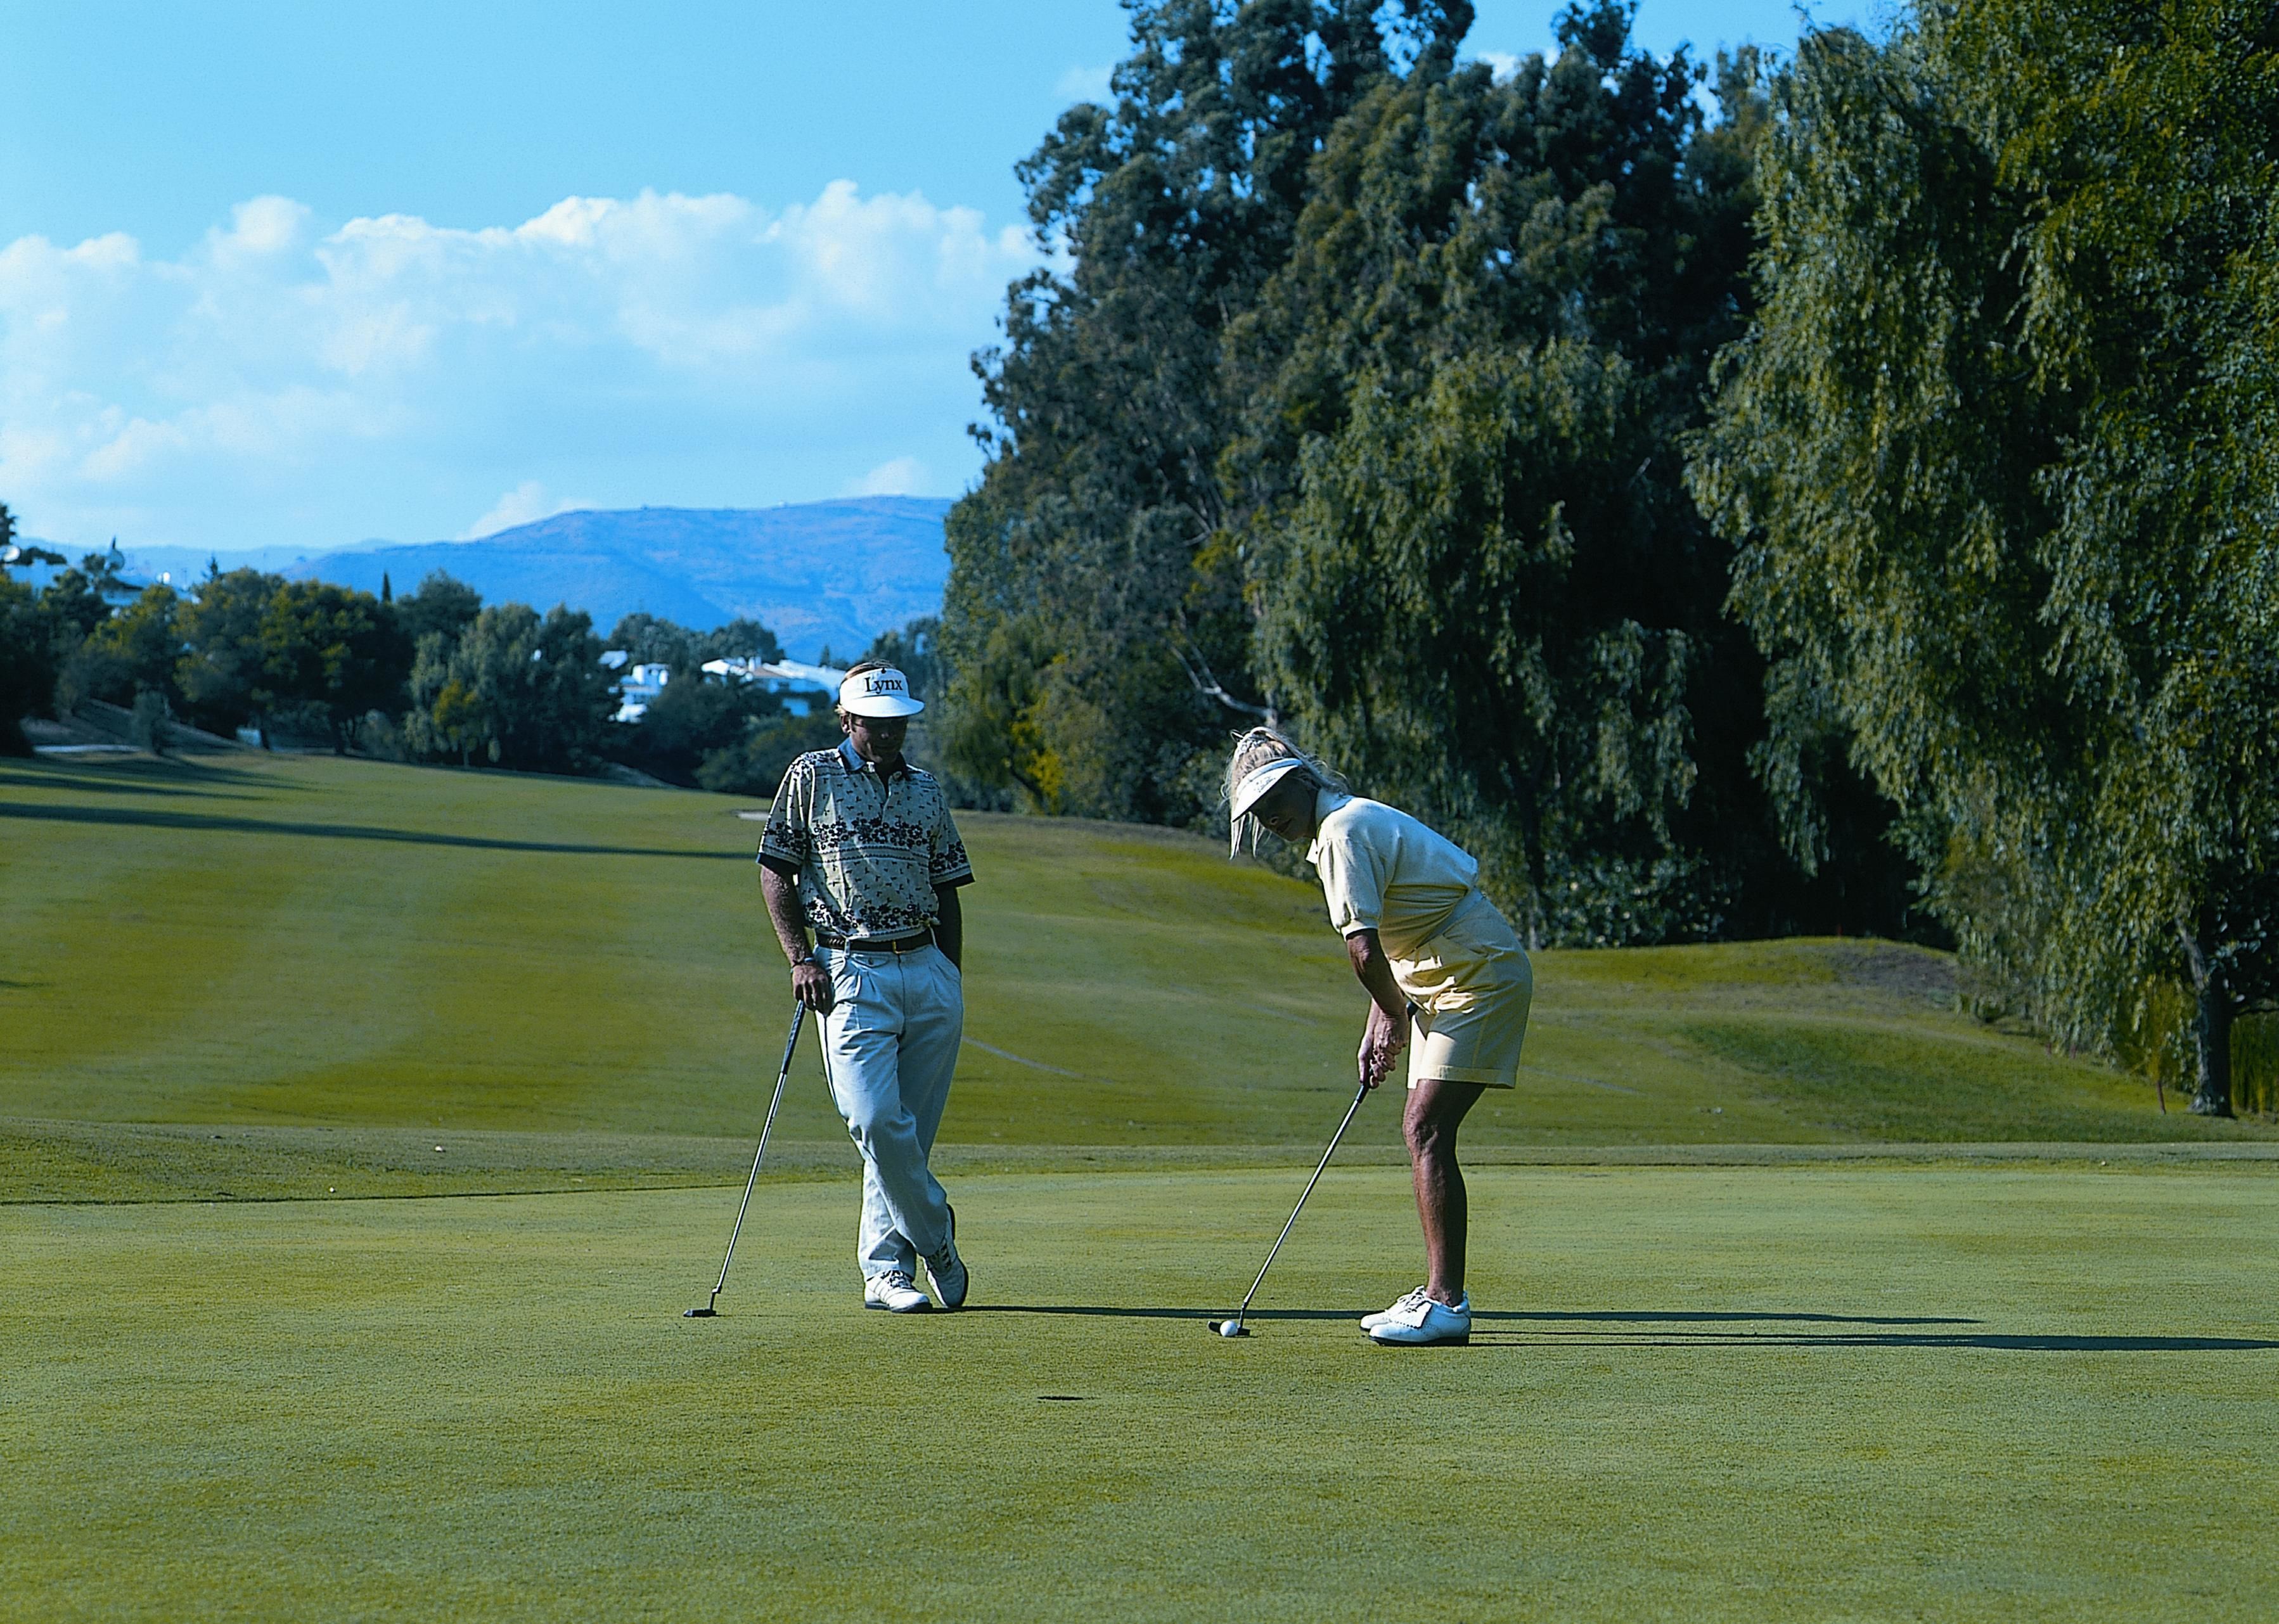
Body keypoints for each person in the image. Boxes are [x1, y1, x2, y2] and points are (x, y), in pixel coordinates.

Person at [1225, 726, 1533, 1347]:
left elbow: (1364, 953)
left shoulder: (1340, 831)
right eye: (1257, 809)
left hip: (1475, 974)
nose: (1270, 816)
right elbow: (1393, 937)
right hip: (1441, 973)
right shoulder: (1340, 827)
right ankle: (1435, 1292)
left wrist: (1393, 1014)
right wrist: (1381, 1020)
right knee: (1424, 1128)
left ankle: (1447, 1303)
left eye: (1276, 795)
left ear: (1304, 779)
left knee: (1425, 1127)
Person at [757, 660, 973, 1313]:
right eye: (874, 723)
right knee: (877, 1121)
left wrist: (951, 978)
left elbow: (947, 887)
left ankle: (886, 1273)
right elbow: (774, 870)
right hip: (847, 968)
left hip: (925, 967)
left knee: (910, 1135)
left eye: (897, 722)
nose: (887, 733)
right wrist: (800, 958)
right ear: (847, 719)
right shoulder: (811, 774)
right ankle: (935, 1237)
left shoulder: (925, 788)